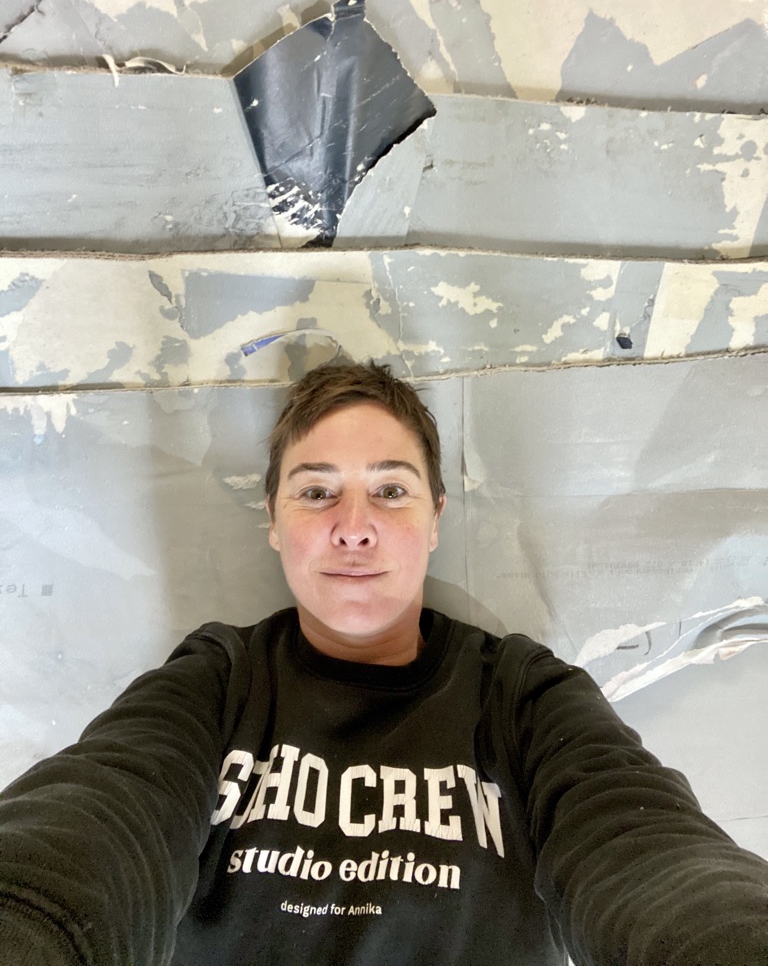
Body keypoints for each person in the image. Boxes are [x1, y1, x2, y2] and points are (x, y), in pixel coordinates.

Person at [0, 361, 767, 966]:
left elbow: (643, 851)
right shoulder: (218, 679)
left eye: (391, 490)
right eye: (316, 492)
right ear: (274, 523)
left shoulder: (524, 695)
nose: (354, 526)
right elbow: (98, 821)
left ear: (435, 520)